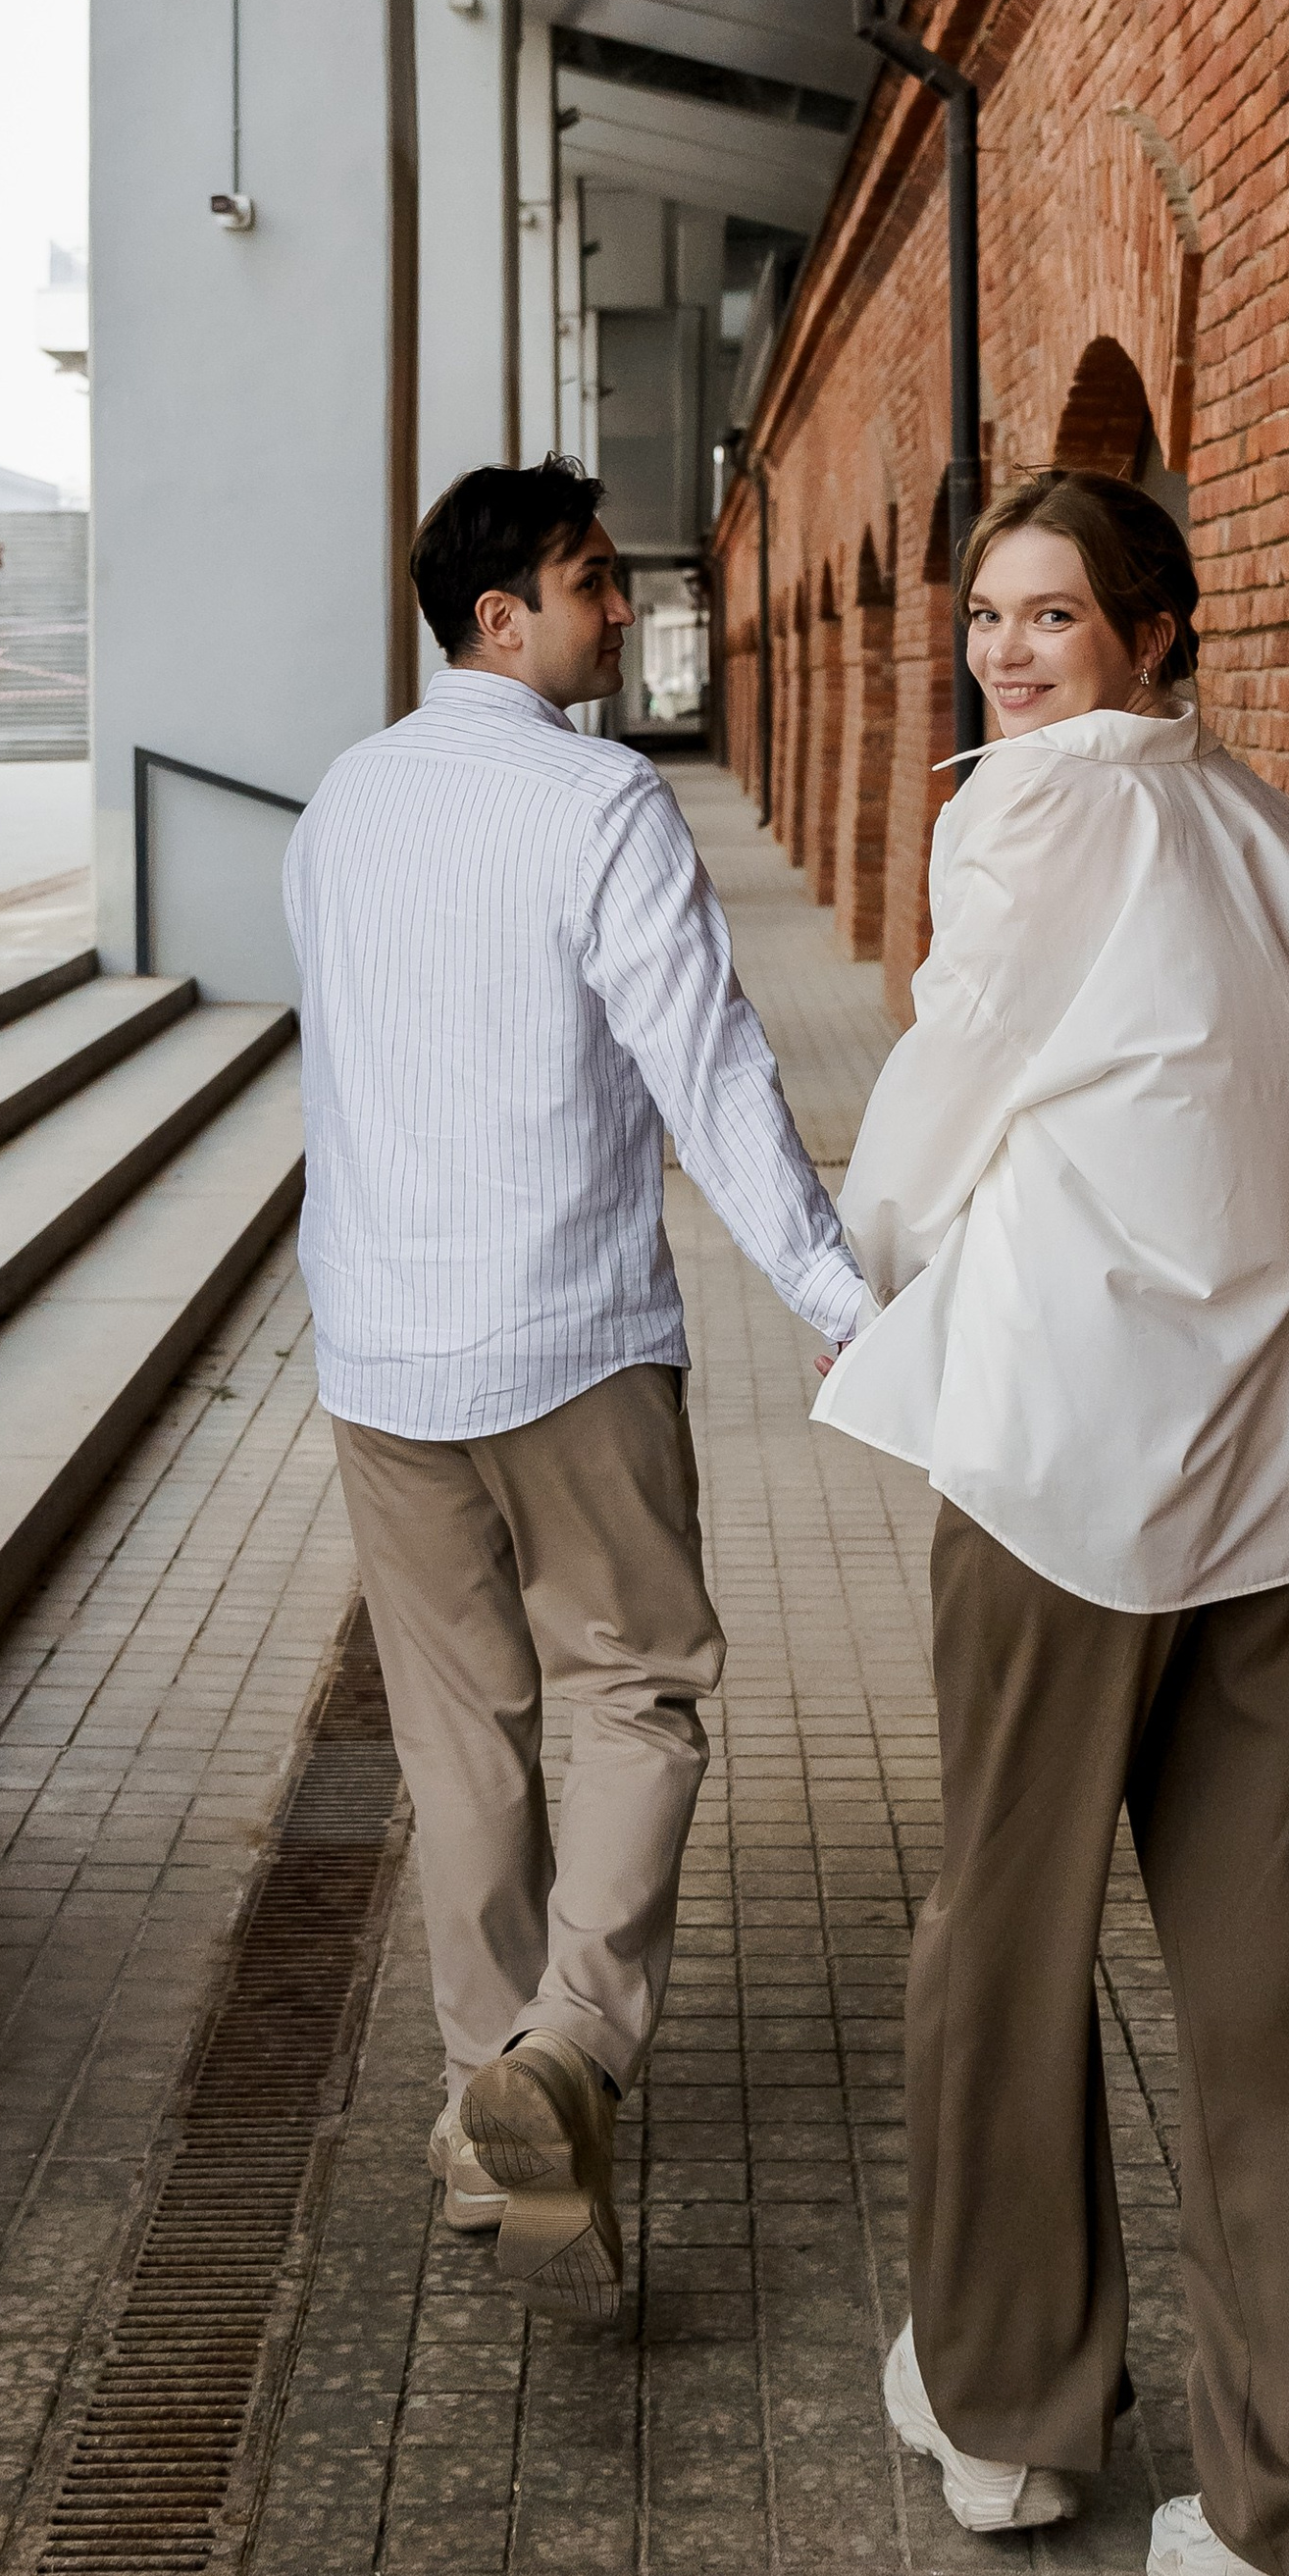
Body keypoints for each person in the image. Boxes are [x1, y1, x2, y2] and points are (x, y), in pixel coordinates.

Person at [813, 465, 1289, 2576]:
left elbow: (940, 1088)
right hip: (1272, 1477)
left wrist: (872, 1269)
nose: (1006, 654)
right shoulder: (1280, 848)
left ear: (1148, 634)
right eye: (988, 615)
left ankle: (1005, 2418)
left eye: (1052, 616)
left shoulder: (1032, 809)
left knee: (1000, 1928)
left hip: (1055, 1467)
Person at [284, 456, 864, 2322]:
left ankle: (486, 2134)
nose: (623, 609)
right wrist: (832, 1288)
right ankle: (569, 2061)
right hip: (568, 1343)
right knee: (633, 1696)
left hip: (383, 1352)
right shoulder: (602, 801)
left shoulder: (340, 807)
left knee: (460, 1739)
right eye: (594, 580)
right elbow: (708, 1067)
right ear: (497, 619)